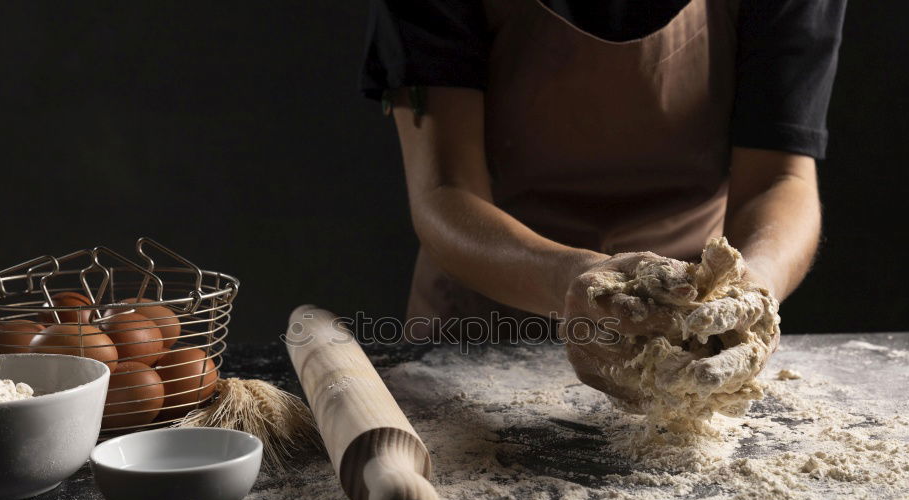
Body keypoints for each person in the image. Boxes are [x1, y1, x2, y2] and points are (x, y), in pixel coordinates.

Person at [361, 0, 845, 388]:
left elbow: (780, 179)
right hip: (479, 330)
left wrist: (751, 289)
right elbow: (445, 188)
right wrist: (574, 279)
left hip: (686, 328)